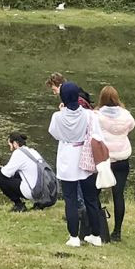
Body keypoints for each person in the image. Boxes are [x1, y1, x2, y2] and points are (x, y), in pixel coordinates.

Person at [48, 82, 108, 247]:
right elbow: (98, 135)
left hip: (67, 159)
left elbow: (54, 133)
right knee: (91, 198)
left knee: (71, 200)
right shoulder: (89, 115)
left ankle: (74, 237)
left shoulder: (57, 117)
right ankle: (95, 234)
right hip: (85, 158)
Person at [95, 86, 135, 242]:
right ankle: (117, 232)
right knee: (118, 195)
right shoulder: (127, 116)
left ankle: (98, 224)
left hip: (104, 159)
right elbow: (131, 127)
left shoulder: (97, 116)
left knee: (95, 192)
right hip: (122, 159)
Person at [0, 132, 41, 211]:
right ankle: (39, 203)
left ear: (14, 143)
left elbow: (5, 174)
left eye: (10, 145)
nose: (10, 147)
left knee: (0, 178)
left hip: (31, 191)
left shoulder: (18, 153)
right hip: (41, 190)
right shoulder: (32, 151)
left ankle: (19, 205)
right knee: (17, 174)